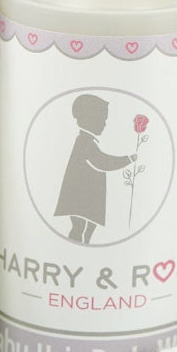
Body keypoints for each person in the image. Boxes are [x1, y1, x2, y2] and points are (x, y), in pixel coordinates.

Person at [54, 94, 136, 244]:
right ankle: (77, 250)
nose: (105, 124)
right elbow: (101, 162)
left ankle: (81, 248)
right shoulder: (84, 142)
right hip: (81, 199)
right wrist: (128, 159)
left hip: (86, 198)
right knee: (81, 228)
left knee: (86, 228)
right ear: (90, 119)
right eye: (102, 119)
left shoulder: (86, 141)